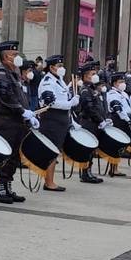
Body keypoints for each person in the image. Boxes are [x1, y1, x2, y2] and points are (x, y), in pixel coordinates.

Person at [0, 42, 38, 204]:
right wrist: (22, 111)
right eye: (13, 54)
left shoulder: (15, 74)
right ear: (5, 57)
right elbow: (6, 97)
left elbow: (20, 96)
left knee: (14, 157)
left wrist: (28, 114)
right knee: (5, 157)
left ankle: (7, 186)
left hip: (17, 122)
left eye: (17, 54)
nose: (17, 57)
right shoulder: (1, 74)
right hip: (5, 122)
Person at [38, 54, 79, 191]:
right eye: (59, 66)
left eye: (62, 65)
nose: (62, 68)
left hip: (60, 120)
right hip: (51, 120)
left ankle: (50, 181)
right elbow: (50, 102)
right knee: (52, 151)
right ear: (51, 67)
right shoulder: (47, 82)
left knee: (55, 152)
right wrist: (69, 104)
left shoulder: (59, 80)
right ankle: (49, 183)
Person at [77, 62, 109, 183]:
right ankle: (85, 173)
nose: (96, 75)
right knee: (87, 149)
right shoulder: (85, 90)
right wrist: (100, 120)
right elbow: (89, 108)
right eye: (93, 73)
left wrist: (104, 118)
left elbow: (98, 106)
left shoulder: (92, 89)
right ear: (86, 75)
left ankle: (88, 171)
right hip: (88, 123)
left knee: (92, 149)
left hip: (95, 123)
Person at [106, 72, 131, 177]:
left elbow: (128, 109)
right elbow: (118, 109)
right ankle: (113, 169)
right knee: (116, 144)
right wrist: (127, 119)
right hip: (117, 120)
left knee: (121, 145)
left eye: (123, 81)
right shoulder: (112, 94)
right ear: (114, 83)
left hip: (125, 120)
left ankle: (116, 167)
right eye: (120, 82)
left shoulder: (124, 94)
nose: (123, 84)